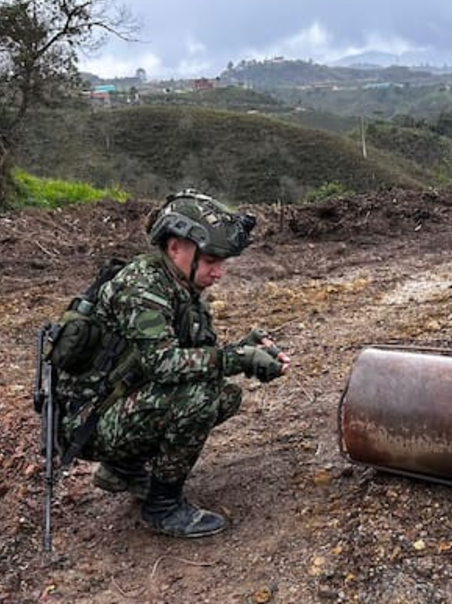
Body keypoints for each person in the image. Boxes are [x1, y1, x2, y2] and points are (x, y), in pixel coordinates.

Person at [60, 189, 290, 538]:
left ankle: (122, 467)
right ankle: (163, 506)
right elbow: (165, 365)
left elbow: (198, 358)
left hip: (114, 405)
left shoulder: (180, 288)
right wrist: (239, 358)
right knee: (199, 399)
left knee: (223, 395)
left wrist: (248, 349)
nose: (219, 273)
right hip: (87, 423)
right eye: (211, 259)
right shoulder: (142, 288)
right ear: (175, 247)